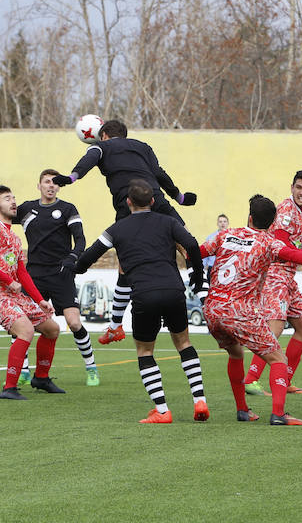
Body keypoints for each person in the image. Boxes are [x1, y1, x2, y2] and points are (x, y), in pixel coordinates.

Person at [74, 180, 208, 423]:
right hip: (173, 290)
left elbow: (90, 256)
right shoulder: (168, 222)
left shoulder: (116, 229)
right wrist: (197, 276)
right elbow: (191, 244)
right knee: (184, 343)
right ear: (153, 201)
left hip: (144, 295)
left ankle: (163, 411)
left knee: (145, 351)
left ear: (128, 202)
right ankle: (200, 400)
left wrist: (75, 268)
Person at [53, 119, 197, 345]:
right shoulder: (143, 146)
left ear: (104, 136)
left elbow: (88, 161)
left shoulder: (101, 147)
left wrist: (70, 178)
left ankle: (115, 325)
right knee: (189, 246)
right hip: (156, 199)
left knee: (125, 266)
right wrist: (180, 198)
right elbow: (160, 174)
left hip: (128, 206)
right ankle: (207, 296)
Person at [201, 195, 302, 426]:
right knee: (278, 359)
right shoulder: (269, 242)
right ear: (273, 221)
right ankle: (278, 414)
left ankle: (243, 410)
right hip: (239, 312)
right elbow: (292, 254)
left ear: (250, 217)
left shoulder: (225, 235)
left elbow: (196, 253)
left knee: (236, 353)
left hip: (213, 310)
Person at [0, 169, 99, 386]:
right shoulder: (26, 209)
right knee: (22, 324)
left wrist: (72, 258)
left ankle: (91, 367)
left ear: (59, 187)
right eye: (47, 182)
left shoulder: (67, 209)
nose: (51, 186)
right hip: (33, 276)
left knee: (73, 323)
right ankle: (24, 371)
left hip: (62, 274)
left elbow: (80, 239)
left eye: (55, 183)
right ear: (39, 186)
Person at [0, 185, 64, 400]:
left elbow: (22, 273)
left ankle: (41, 378)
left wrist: (40, 300)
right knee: (26, 330)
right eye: (7, 199)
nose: (13, 202)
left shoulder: (14, 238)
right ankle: (9, 388)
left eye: (14, 198)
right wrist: (7, 280)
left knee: (52, 328)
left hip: (14, 296)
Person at [244, 170, 302, 396]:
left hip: (289, 277)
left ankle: (283, 380)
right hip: (276, 274)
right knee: (274, 328)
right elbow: (283, 248)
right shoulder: (286, 210)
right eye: (299, 187)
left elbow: (294, 247)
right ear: (291, 187)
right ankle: (250, 379)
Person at [202, 214, 230, 279]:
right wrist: (202, 267)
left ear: (228, 223)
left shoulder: (232, 237)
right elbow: (206, 252)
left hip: (227, 268)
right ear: (217, 223)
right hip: (213, 267)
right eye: (220, 222)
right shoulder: (211, 237)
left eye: (224, 221)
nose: (222, 223)